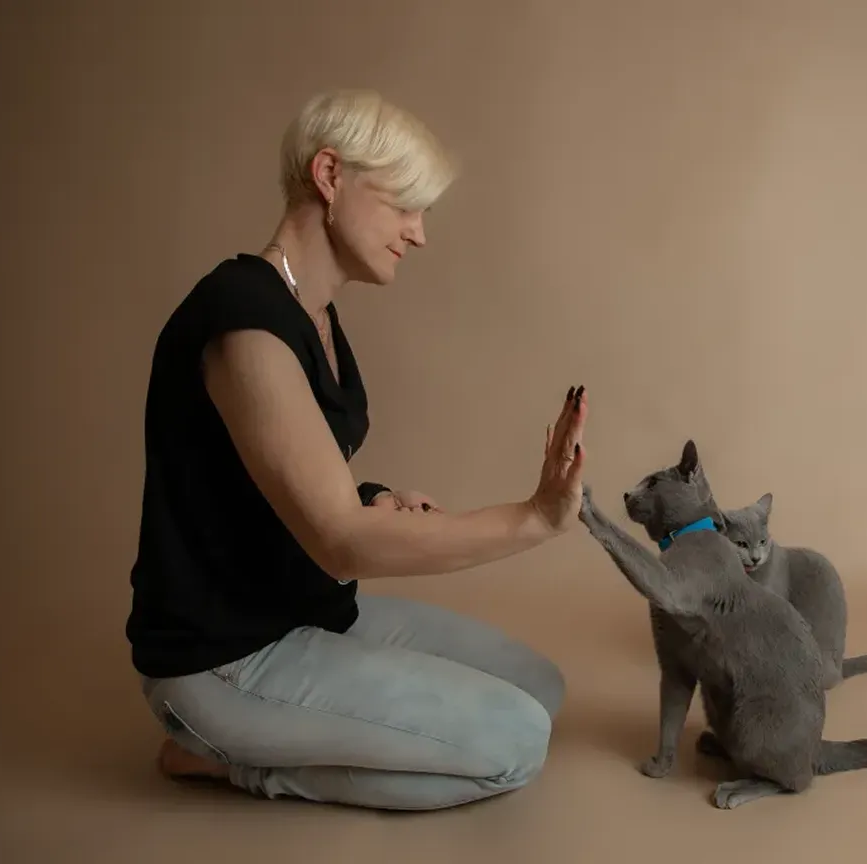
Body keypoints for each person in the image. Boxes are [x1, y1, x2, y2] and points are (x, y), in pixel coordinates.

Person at [126, 88, 589, 811]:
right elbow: (340, 542)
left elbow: (271, 484)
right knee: (516, 743)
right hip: (225, 659)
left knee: (543, 689)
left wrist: (373, 498)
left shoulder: (313, 314)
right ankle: (222, 757)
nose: (420, 232)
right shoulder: (243, 320)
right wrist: (536, 517)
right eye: (405, 203)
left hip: (308, 612)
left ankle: (288, 728)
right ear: (330, 175)